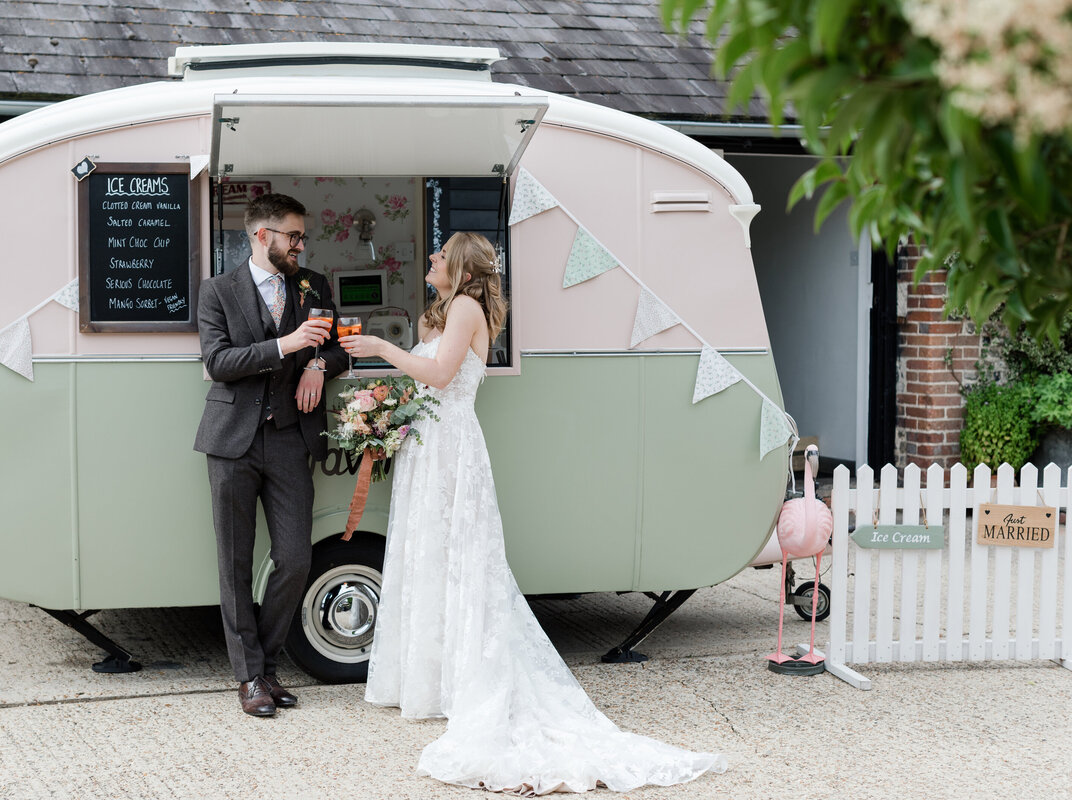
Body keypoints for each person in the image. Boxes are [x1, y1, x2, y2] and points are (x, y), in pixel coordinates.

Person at [340, 232, 727, 794]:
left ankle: (464, 683)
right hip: (433, 445)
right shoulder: (449, 312)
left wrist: (382, 351)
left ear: (462, 267)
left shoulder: (468, 308)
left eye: (438, 255)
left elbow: (442, 377)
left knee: (459, 557)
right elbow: (429, 374)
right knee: (432, 552)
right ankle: (431, 680)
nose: (429, 259)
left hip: (451, 449)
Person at [194, 193, 343, 717]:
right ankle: (250, 677)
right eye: (293, 236)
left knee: (295, 557)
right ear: (262, 236)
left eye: (302, 237)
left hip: (288, 439)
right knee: (234, 563)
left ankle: (270, 664)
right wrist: (286, 347)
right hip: (231, 439)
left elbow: (338, 344)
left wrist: (319, 364)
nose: (301, 245)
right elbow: (218, 360)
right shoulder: (216, 291)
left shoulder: (315, 285)